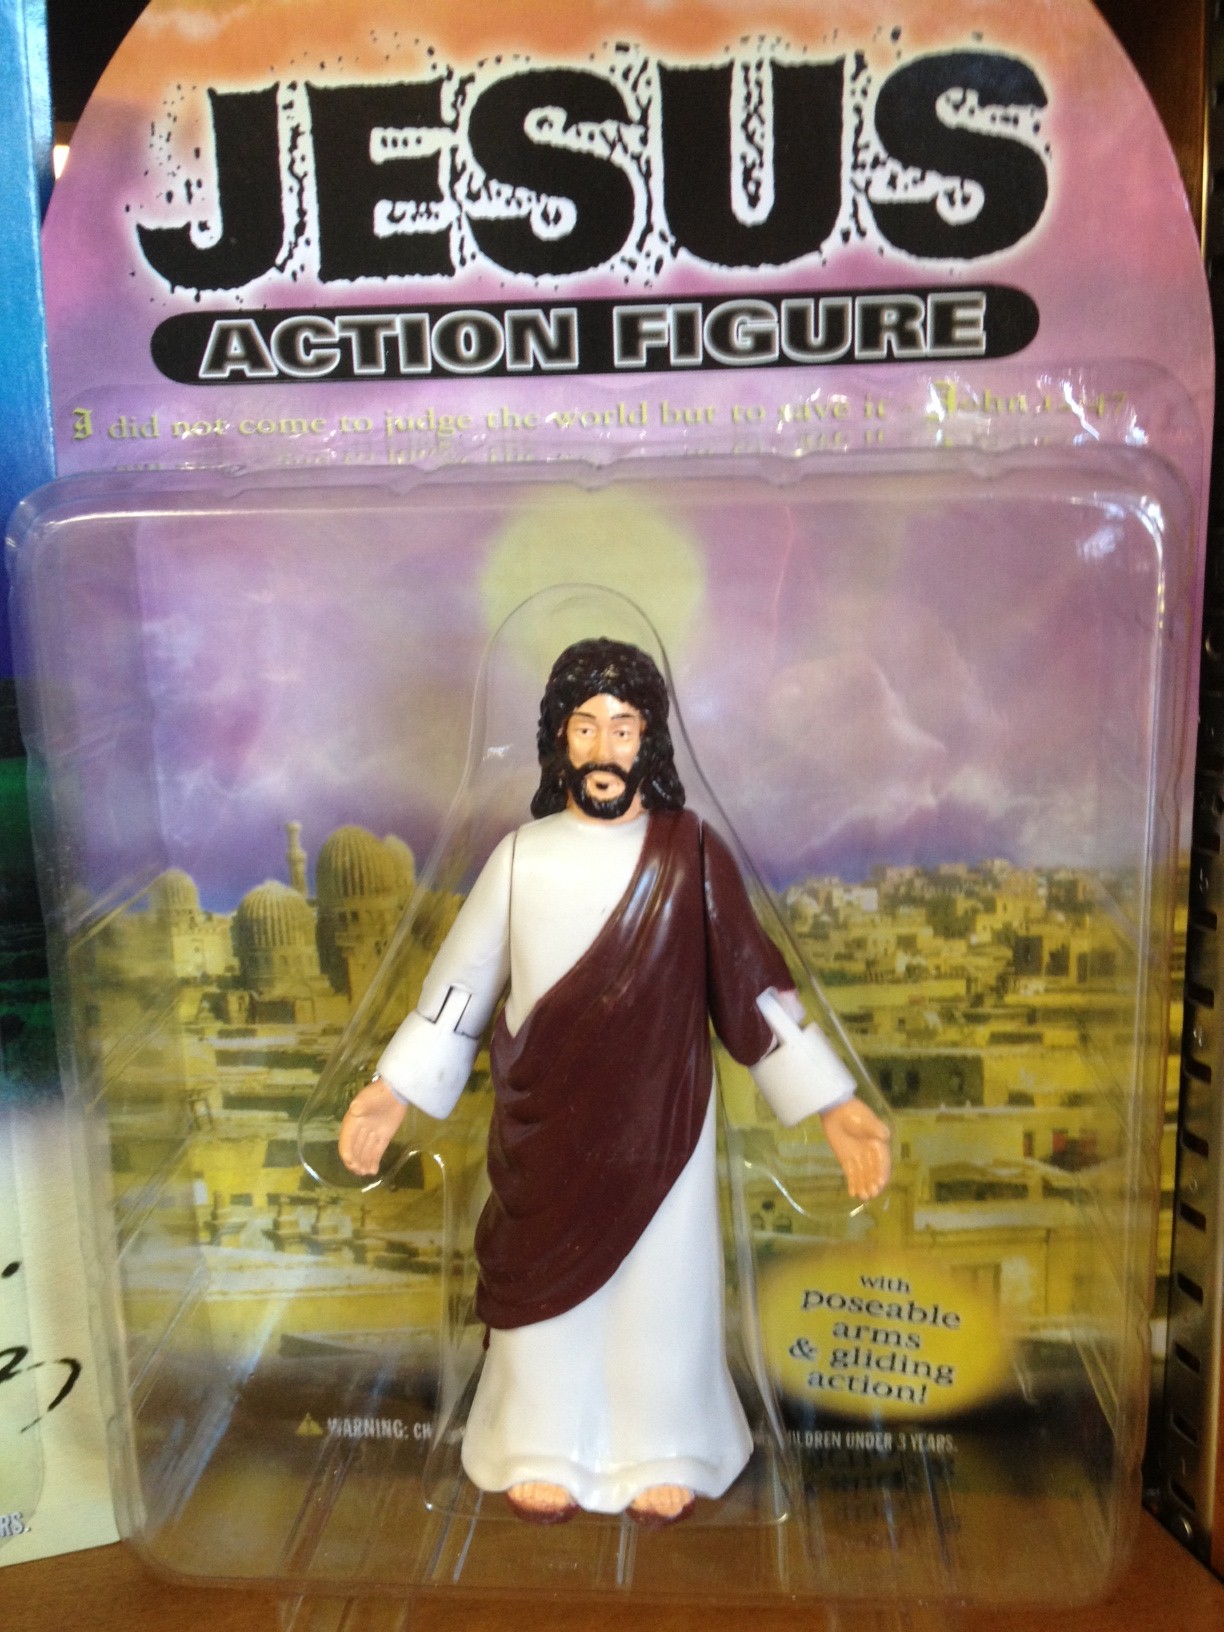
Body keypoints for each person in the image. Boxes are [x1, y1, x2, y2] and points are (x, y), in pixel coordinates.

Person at [339, 639, 890, 1526]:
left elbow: (752, 988)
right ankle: (539, 1444)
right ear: (559, 739)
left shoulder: (692, 853)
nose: (604, 748)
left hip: (661, 1130)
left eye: (623, 727)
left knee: (660, 1294)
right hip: (545, 1133)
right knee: (543, 1304)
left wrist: (834, 1102)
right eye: (586, 726)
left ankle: (664, 1446)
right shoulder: (519, 858)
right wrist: (390, 1090)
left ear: (649, 741)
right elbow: (457, 993)